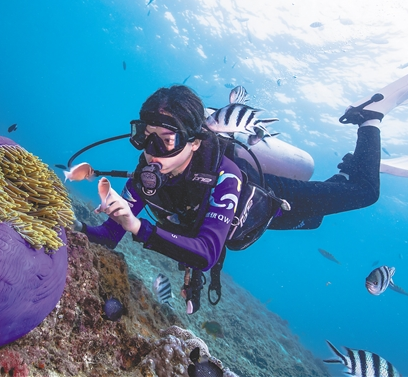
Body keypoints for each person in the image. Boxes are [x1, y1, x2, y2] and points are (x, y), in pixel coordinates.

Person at [81, 84, 383, 314]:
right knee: (315, 219)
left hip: (272, 202)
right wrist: (75, 230)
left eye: (167, 140)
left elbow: (206, 253)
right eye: (145, 136)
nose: (152, 151)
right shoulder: (148, 173)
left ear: (194, 142)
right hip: (232, 226)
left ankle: (369, 120)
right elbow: (108, 235)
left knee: (361, 193)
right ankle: (344, 171)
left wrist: (137, 226)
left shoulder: (226, 176)